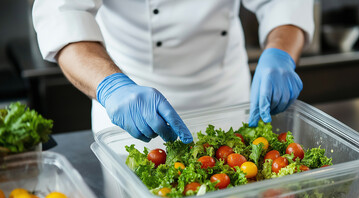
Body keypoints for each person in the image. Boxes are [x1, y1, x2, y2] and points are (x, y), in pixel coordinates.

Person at [32, 0, 314, 144]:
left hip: (227, 95)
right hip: (134, 107)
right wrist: (111, 87)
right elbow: (63, 14)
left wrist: (280, 52)